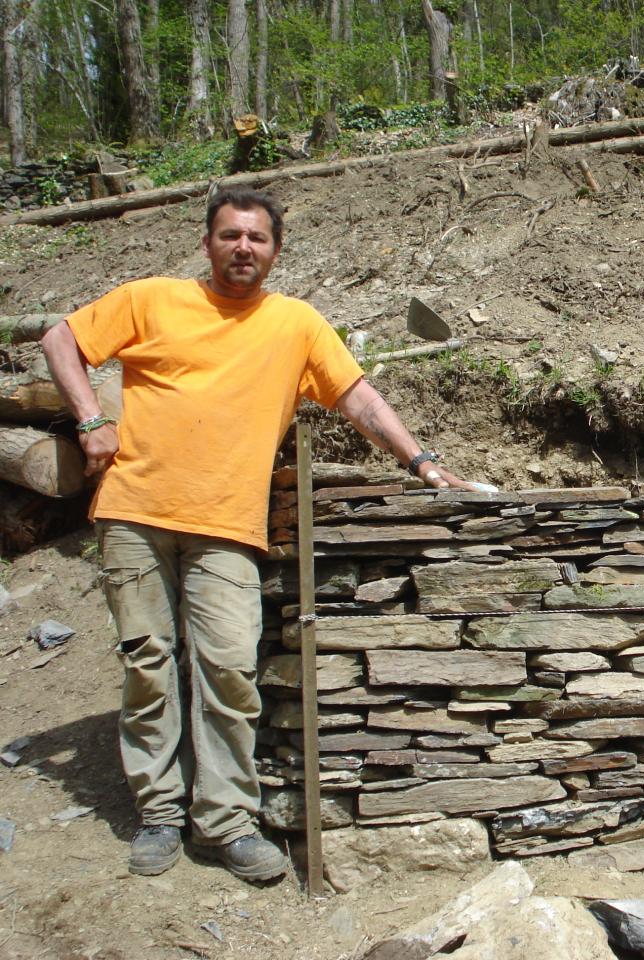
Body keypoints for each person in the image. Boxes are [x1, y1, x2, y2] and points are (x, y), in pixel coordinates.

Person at [41, 186, 477, 882]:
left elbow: (355, 394)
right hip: (134, 515)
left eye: (257, 238)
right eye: (229, 235)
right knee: (149, 665)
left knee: (228, 674)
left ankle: (224, 824)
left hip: (226, 526)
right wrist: (92, 418)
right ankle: (160, 814)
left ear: (275, 250)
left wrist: (420, 459)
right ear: (208, 242)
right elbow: (60, 337)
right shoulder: (150, 299)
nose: (243, 248)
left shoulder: (296, 324)